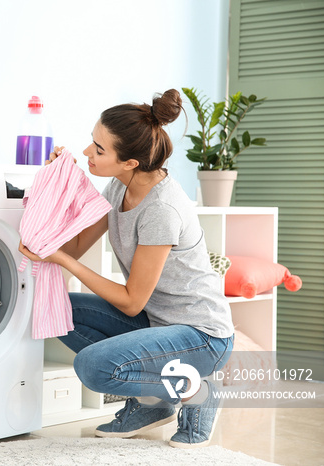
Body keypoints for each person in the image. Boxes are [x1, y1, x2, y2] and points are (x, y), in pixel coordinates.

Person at [18, 89, 234, 449]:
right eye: (92, 142)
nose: (88, 152)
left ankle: (199, 388)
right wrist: (61, 179)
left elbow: (131, 301)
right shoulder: (118, 188)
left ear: (130, 162)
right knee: (59, 307)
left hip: (201, 335)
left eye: (99, 150)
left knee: (93, 367)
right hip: (157, 321)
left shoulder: (161, 210)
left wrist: (62, 259)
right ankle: (155, 403)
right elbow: (72, 246)